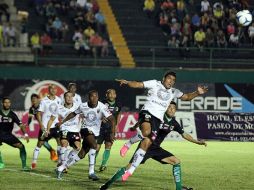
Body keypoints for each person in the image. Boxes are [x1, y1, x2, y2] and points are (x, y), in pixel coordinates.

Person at [115, 71, 208, 181]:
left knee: (147, 142)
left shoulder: (174, 91)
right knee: (145, 132)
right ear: (163, 78)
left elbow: (187, 97)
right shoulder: (155, 83)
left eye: (173, 80)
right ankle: (129, 143)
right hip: (147, 112)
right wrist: (127, 82)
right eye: (169, 78)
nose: (171, 81)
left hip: (157, 120)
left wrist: (197, 92)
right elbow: (138, 84)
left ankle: (129, 172)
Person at [100, 101, 207, 190]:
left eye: (173, 108)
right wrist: (136, 126)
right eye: (169, 107)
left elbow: (184, 134)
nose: (171, 110)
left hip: (156, 149)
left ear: (175, 111)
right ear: (165, 108)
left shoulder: (174, 123)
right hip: (145, 146)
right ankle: (107, 185)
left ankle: (178, 188)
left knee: (176, 161)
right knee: (128, 168)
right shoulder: (158, 116)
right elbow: (145, 121)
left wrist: (197, 142)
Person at [55, 90, 115, 180]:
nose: (94, 98)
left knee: (81, 154)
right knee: (94, 146)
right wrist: (62, 122)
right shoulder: (83, 105)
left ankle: (60, 168)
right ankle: (91, 173)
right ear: (89, 97)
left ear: (98, 97)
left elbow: (113, 119)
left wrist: (112, 133)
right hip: (85, 129)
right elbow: (73, 114)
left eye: (96, 96)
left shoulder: (102, 106)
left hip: (95, 132)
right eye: (92, 96)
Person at [31, 84, 62, 169]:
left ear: (56, 90)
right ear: (49, 90)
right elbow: (38, 113)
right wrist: (41, 125)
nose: (53, 90)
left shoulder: (59, 100)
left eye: (54, 89)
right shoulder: (44, 100)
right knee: (40, 144)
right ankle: (34, 162)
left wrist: (61, 122)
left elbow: (61, 112)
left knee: (60, 143)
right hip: (45, 126)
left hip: (55, 126)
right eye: (51, 89)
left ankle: (59, 162)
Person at [47, 91, 81, 167]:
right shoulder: (59, 107)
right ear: (64, 98)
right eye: (67, 96)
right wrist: (47, 129)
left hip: (75, 130)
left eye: (71, 96)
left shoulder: (78, 106)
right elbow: (52, 119)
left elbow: (85, 115)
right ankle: (62, 164)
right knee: (64, 144)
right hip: (64, 129)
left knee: (78, 148)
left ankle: (65, 161)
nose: (69, 98)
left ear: (73, 98)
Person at [0, 97, 30, 170]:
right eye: (5, 102)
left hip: (8, 136)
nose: (7, 104)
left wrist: (25, 134)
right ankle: (1, 163)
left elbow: (21, 125)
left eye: (8, 102)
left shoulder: (12, 114)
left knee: (21, 146)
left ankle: (24, 166)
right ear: (2, 103)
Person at [28, 93, 58, 162]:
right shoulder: (32, 108)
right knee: (42, 142)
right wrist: (27, 124)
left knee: (43, 142)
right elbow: (30, 118)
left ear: (38, 99)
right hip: (43, 127)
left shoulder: (43, 104)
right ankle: (52, 151)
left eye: (35, 99)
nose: (33, 100)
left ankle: (60, 159)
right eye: (32, 99)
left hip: (51, 125)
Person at [97, 89, 121, 172]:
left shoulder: (118, 104)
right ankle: (92, 164)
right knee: (96, 147)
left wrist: (117, 126)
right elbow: (96, 112)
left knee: (108, 146)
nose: (111, 95)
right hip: (100, 128)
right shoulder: (101, 103)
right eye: (109, 93)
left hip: (111, 128)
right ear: (106, 95)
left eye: (113, 93)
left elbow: (118, 115)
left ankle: (103, 165)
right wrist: (101, 118)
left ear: (115, 95)